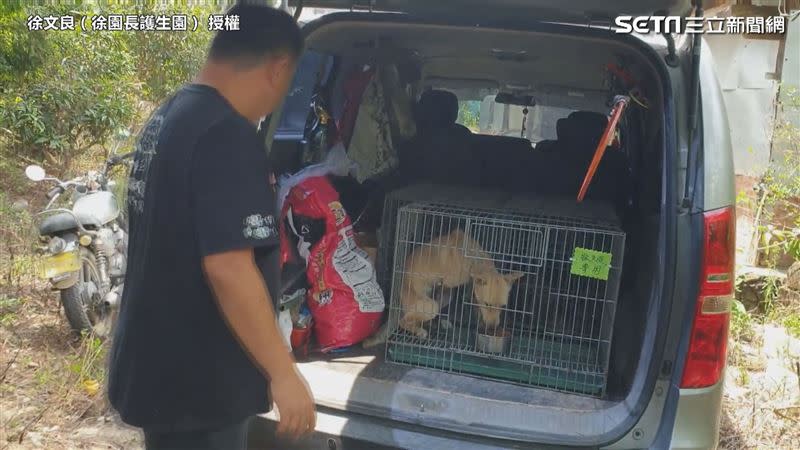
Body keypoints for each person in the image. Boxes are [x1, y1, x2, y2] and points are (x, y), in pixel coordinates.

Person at [107, 4, 315, 449]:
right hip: (200, 383)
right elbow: (229, 268)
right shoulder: (227, 134)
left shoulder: (170, 116)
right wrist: (283, 372)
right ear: (278, 69)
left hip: (161, 368)